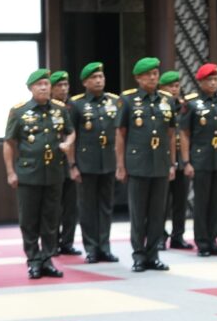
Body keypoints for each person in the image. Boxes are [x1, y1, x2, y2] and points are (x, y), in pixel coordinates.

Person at [3, 69, 78, 279]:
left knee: (51, 219)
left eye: (46, 84)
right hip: (29, 173)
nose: (44, 87)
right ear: (31, 88)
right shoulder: (19, 111)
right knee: (29, 220)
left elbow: (71, 131)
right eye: (39, 84)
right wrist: (10, 172)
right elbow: (9, 143)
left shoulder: (60, 109)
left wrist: (68, 143)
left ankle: (47, 259)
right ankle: (34, 261)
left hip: (54, 172)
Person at [115, 57, 177, 272]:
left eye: (155, 73)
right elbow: (121, 135)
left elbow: (171, 134)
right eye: (148, 74)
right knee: (138, 214)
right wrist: (121, 165)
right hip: (138, 164)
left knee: (158, 214)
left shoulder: (167, 100)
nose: (152, 77)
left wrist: (172, 163)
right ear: (138, 78)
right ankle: (139, 255)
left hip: (160, 163)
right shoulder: (128, 100)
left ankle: (153, 255)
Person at [67, 62, 121, 264]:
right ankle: (91, 248)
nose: (99, 80)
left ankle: (104, 247)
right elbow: (71, 136)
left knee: (106, 207)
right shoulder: (76, 104)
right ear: (85, 82)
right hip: (86, 163)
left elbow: (119, 134)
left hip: (108, 161)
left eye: (101, 77)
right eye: (94, 78)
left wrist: (120, 163)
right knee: (87, 207)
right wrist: (72, 165)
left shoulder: (114, 101)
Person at [179, 63, 217, 257]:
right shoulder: (192, 104)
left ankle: (213, 240)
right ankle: (202, 242)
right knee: (202, 202)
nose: (213, 83)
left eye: (215, 79)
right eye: (209, 80)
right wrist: (186, 161)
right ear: (200, 82)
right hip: (201, 159)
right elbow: (184, 134)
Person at [158, 70, 193, 251]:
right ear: (161, 88)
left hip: (183, 158)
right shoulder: (159, 106)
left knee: (181, 201)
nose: (174, 89)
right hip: (164, 159)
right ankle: (159, 236)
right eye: (170, 86)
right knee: (162, 202)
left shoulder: (185, 107)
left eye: (177, 85)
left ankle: (178, 236)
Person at [50, 70, 82, 256]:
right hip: (53, 161)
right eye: (59, 86)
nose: (63, 89)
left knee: (71, 206)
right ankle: (52, 243)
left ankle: (67, 243)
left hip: (73, 161)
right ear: (52, 89)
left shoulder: (74, 106)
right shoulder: (48, 106)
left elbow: (77, 135)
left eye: (66, 85)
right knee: (54, 206)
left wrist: (74, 164)